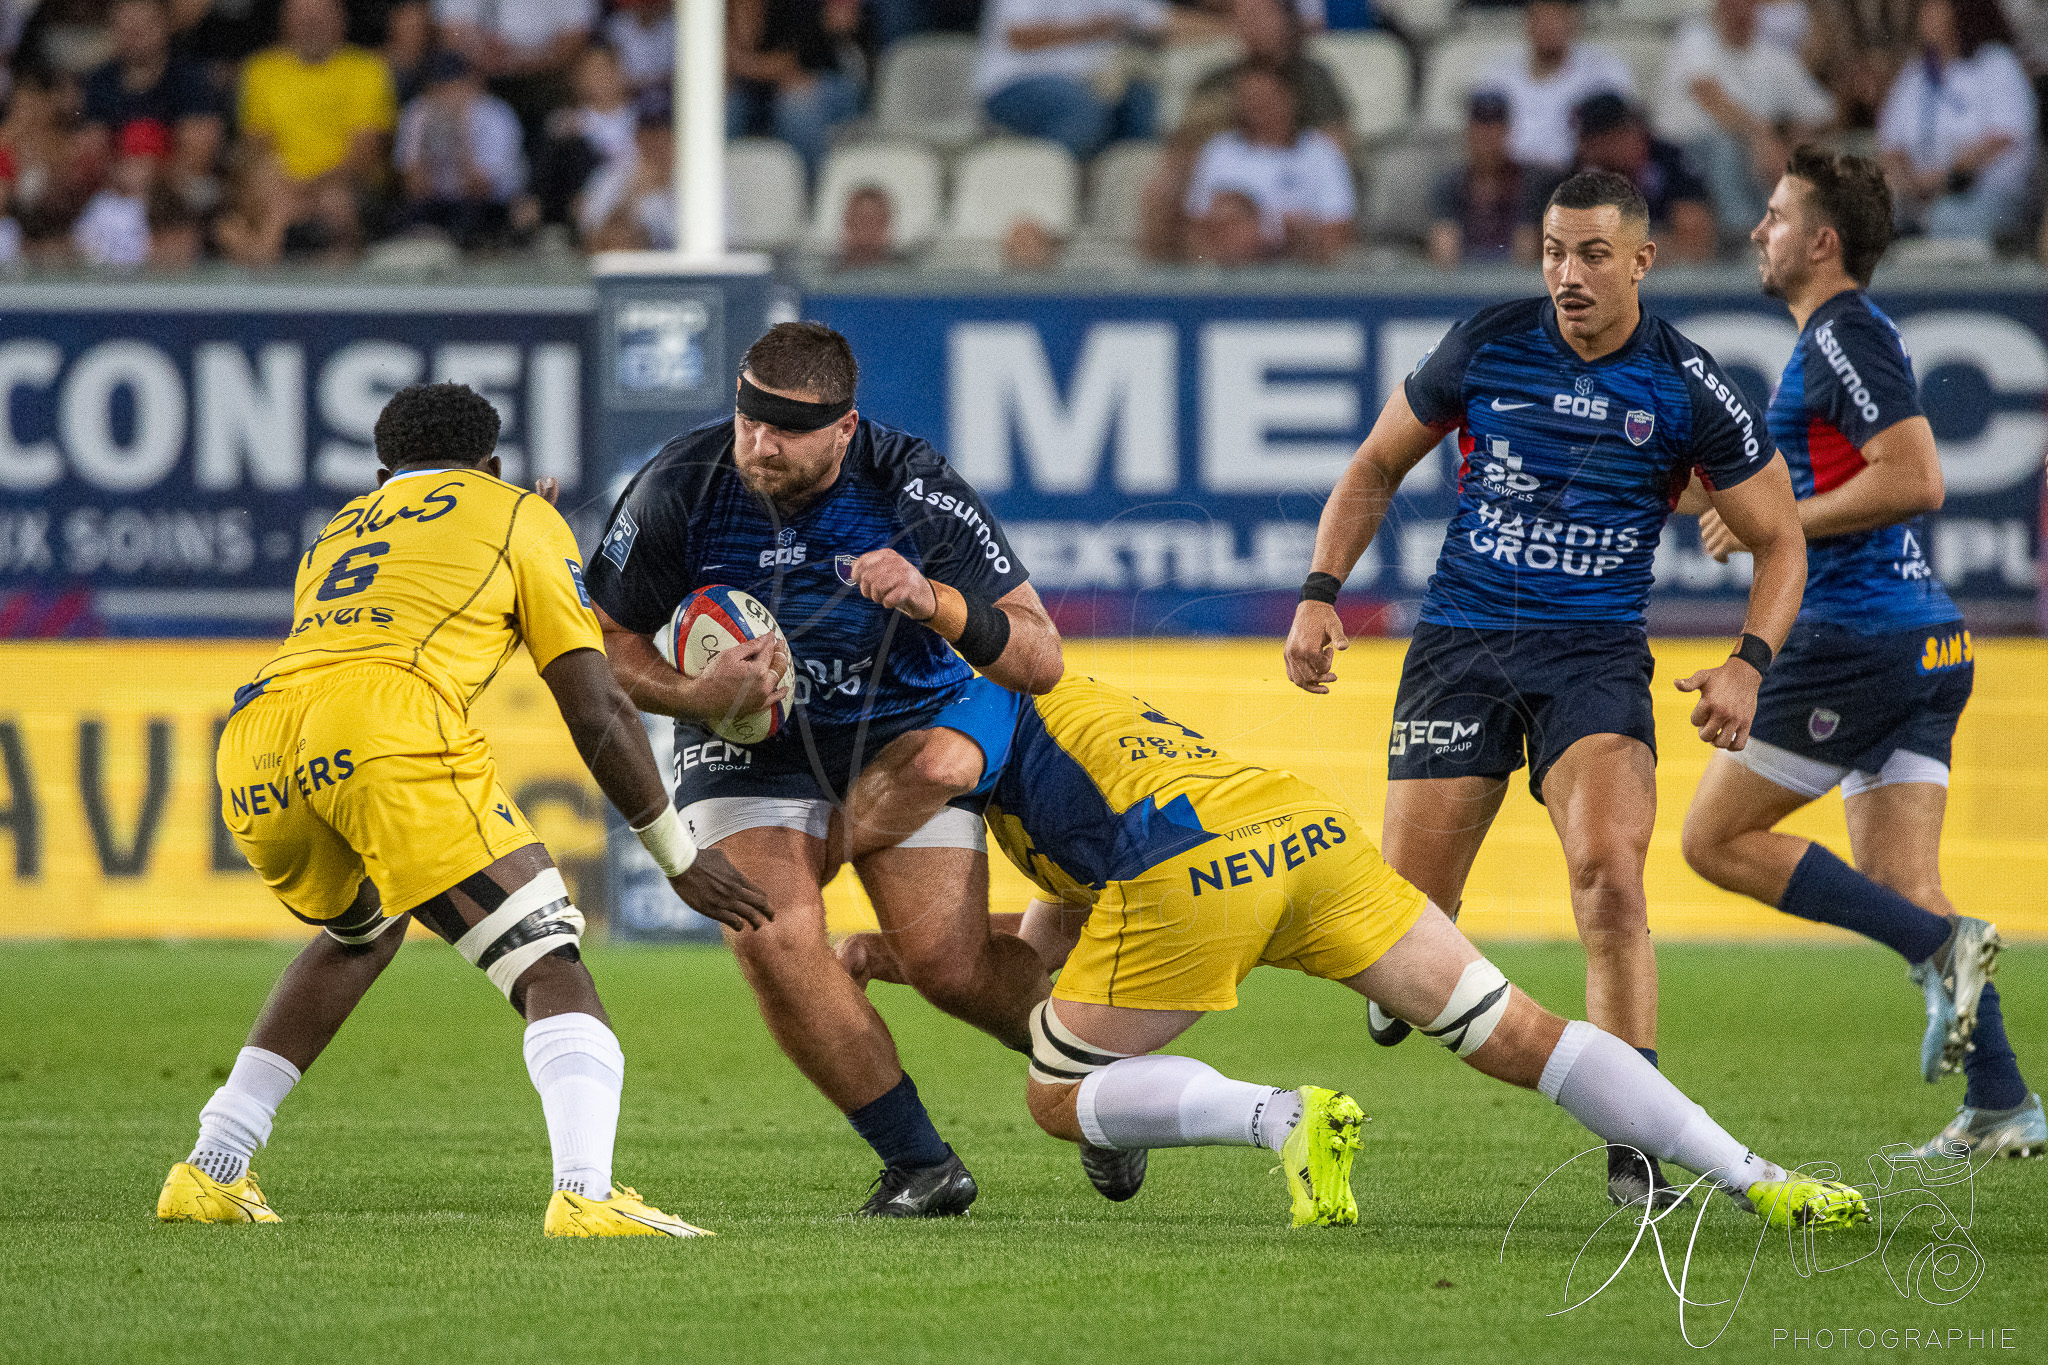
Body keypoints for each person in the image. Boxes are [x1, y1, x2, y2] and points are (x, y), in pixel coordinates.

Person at [840, 678, 1869, 1232]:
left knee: (1056, 1095)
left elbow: (938, 760)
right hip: (1304, 833)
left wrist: (820, 845)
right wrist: (898, 953)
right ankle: (1755, 1175)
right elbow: (1053, 943)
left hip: (1187, 871)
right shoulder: (1089, 715)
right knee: (1518, 1031)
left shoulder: (970, 705)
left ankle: (1276, 1117)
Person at [1282, 170, 1808, 1210]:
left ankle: (1636, 1138)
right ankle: (1403, 973)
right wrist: (1317, 593)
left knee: (1607, 881)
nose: (1566, 276)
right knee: (1405, 920)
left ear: (1640, 263)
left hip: (1592, 658)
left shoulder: (1688, 387)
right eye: (1552, 254)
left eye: (1591, 256)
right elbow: (1373, 467)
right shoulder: (1486, 342)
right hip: (1463, 645)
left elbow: (1780, 541)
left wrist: (1748, 663)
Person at [156, 382, 770, 1236]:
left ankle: (212, 1163)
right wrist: (678, 854)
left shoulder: (338, 531)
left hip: (259, 736)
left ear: (382, 474)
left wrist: (522, 536)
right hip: (384, 721)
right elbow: (594, 704)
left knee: (360, 933)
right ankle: (586, 1192)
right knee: (548, 958)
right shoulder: (521, 516)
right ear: (495, 465)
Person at [584, 322, 1066, 1217]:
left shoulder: (914, 486)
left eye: (786, 429)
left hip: (896, 726)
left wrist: (936, 601)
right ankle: (921, 1163)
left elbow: (1039, 655)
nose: (759, 444)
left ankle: (1105, 1082)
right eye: (748, 420)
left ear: (845, 429)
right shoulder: (680, 485)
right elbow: (597, 644)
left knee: (948, 968)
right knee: (768, 932)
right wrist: (696, 693)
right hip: (743, 739)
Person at [1680, 147, 2043, 1161]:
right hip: (1921, 644)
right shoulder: (1832, 342)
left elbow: (1915, 478)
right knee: (1902, 884)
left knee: (1712, 841)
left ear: (1821, 241)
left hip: (1858, 640)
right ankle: (2002, 1103)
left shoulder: (1842, 334)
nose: (1757, 231)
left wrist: (1780, 518)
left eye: (1774, 216)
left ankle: (1939, 949)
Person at [1138, 0, 1350, 261]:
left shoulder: (1314, 95)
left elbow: (1337, 151)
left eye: (1261, 15)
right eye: (1244, 16)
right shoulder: (1218, 137)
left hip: (1294, 228)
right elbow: (1184, 147)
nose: (1257, 108)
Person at [1655, 0, 1835, 240]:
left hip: (1754, 154)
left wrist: (1789, 138)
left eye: (1746, 5)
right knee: (1727, 147)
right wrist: (1761, 136)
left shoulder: (1773, 57)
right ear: (1719, 8)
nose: (1739, 11)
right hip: (1681, 153)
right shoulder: (1696, 40)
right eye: (1731, 5)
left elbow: (1825, 114)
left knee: (1798, 153)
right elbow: (1709, 95)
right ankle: (1739, 235)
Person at [237, 0, 397, 253]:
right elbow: (257, 145)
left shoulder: (367, 69)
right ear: (284, 21)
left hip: (345, 185)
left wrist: (308, 190)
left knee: (334, 202)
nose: (311, 22)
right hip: (280, 185)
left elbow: (364, 153)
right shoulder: (261, 70)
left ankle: (340, 287)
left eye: (320, 14)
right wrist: (285, 188)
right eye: (301, 14)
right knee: (269, 192)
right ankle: (268, 284)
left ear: (340, 19)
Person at [976, 0, 1223, 161]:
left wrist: (1233, 27)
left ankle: (1122, 203)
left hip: (1096, 87)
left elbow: (1165, 22)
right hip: (1017, 83)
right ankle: (1041, 193)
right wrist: (1092, 30)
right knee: (1082, 111)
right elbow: (1019, 36)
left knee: (1143, 103)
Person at [1877, 0, 2038, 245]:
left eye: (1935, 8)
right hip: (1919, 198)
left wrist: (1941, 178)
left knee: (1949, 217)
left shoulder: (1995, 63)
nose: (1926, 16)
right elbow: (1891, 147)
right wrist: (1908, 184)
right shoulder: (1914, 74)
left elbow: (2003, 138)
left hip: (1988, 196)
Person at [1184, 63, 1356, 266]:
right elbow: (1196, 229)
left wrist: (1298, 235)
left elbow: (1338, 233)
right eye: (1247, 97)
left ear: (1289, 98)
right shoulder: (1219, 150)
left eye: (1264, 96)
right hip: (1229, 272)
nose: (1255, 105)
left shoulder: (1322, 153)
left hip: (1302, 269)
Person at [77, 0, 226, 209]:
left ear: (165, 26)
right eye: (125, 28)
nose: (135, 37)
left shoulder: (189, 77)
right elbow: (93, 148)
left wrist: (154, 172)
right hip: (116, 183)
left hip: (175, 184)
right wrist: (119, 172)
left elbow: (199, 154)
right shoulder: (100, 81)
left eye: (143, 27)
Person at [1474, 0, 1634, 175]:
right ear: (1527, 21)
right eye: (1540, 16)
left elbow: (1619, 141)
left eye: (1556, 16)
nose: (1548, 25)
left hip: (1578, 179)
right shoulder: (1498, 72)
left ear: (1574, 20)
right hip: (1513, 185)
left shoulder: (1604, 71)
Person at [394, 50, 529, 249]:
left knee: (469, 216)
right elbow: (415, 188)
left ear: (470, 84)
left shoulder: (494, 114)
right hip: (437, 202)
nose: (447, 95)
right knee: (408, 217)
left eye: (453, 85)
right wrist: (427, 135)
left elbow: (478, 188)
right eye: (439, 88)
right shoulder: (419, 112)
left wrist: (460, 130)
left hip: (489, 203)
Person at [1573, 92, 1719, 263]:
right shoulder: (1579, 172)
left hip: (1673, 279)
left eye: (1593, 140)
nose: (1586, 149)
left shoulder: (1670, 160)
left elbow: (1694, 236)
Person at [726, 0, 863, 182]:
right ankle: (708, 193)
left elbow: (792, 61)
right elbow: (738, 53)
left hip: (825, 77)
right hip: (757, 86)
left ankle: (810, 194)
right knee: (724, 107)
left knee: (796, 106)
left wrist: (743, 65)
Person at [432, 0, 595, 144]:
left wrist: (516, 59)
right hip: (476, 76)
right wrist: (478, 53)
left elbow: (573, 41)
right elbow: (448, 32)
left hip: (542, 81)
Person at [1428, 90, 1550, 267]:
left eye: (1494, 128)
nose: (1487, 137)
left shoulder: (1531, 181)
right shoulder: (1449, 183)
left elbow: (1526, 253)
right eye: (1480, 128)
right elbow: (1445, 253)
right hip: (1461, 285)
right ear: (1468, 131)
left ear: (1507, 131)